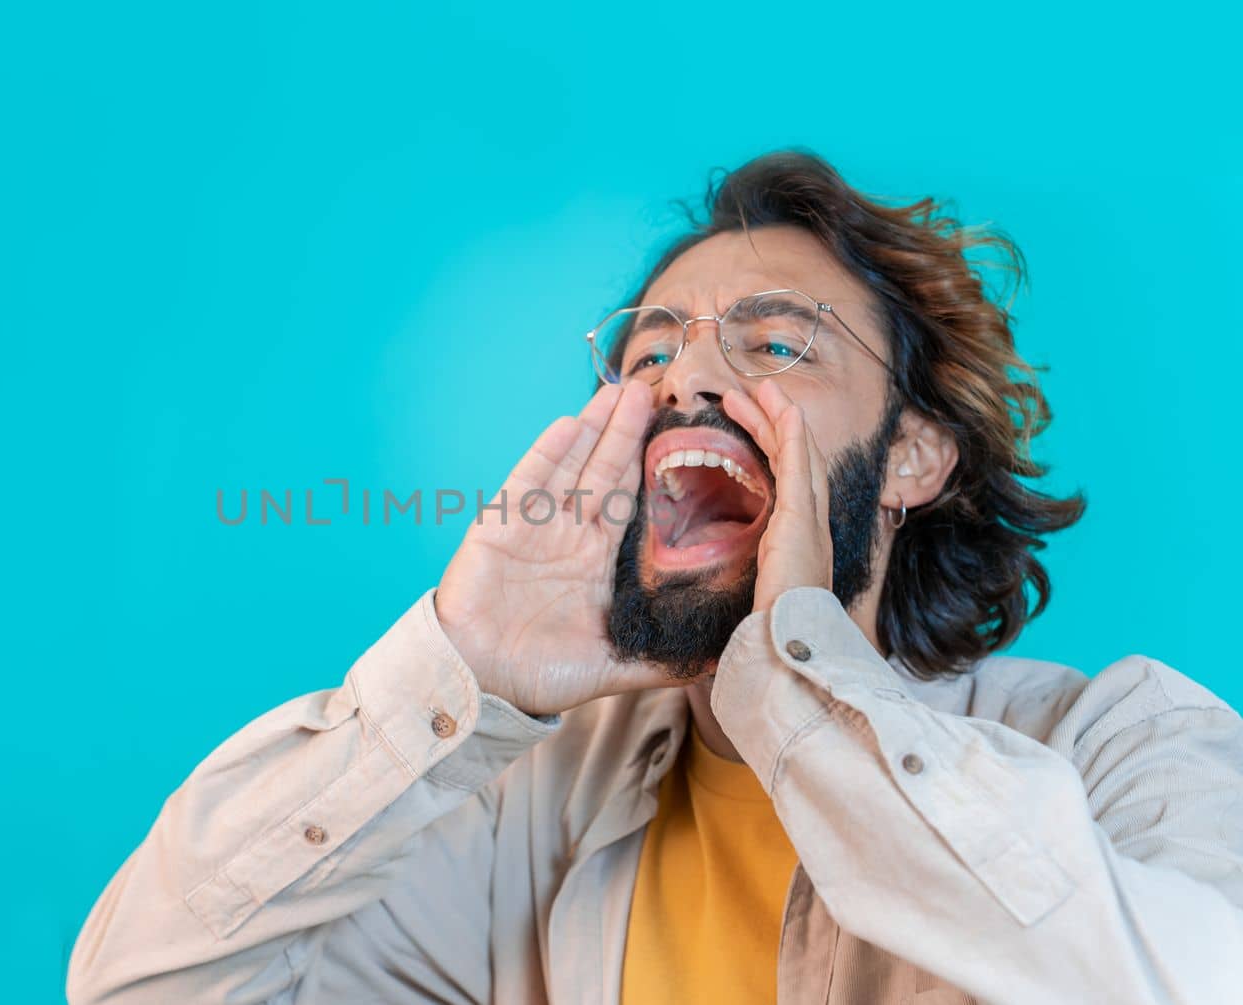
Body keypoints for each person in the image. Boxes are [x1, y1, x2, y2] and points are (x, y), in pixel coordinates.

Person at [65, 151, 1243, 1004]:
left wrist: (804, 683)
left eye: (778, 344)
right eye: (652, 349)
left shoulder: (1122, 743)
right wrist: (459, 670)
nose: (687, 376)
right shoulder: (518, 808)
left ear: (913, 454)